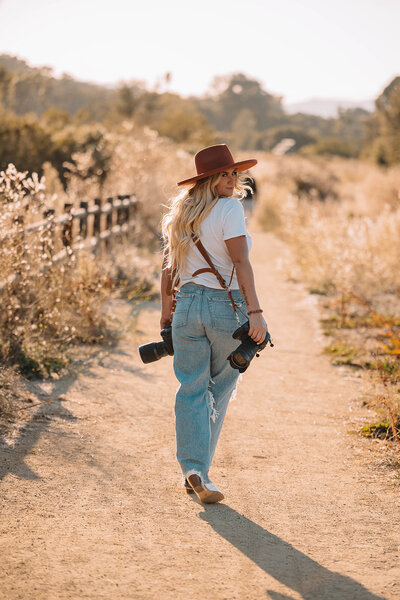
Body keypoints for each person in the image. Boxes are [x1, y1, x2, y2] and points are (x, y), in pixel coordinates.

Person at [161, 144, 268, 504]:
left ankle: (192, 469)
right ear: (209, 179)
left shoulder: (183, 213)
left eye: (234, 173)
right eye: (225, 173)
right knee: (219, 388)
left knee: (190, 388)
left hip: (186, 307)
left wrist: (166, 312)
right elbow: (240, 262)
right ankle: (199, 470)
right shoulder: (229, 208)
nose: (232, 179)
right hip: (226, 307)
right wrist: (255, 312)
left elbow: (169, 268)